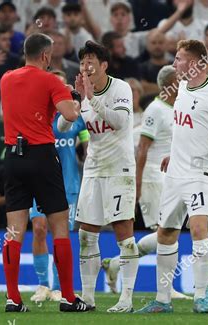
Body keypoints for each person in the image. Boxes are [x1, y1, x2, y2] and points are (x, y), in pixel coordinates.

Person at [136, 39, 208, 314]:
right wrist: (173, 154)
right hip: (174, 173)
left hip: (200, 172)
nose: (174, 63)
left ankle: (201, 297)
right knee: (166, 233)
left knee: (198, 229)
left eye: (179, 58)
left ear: (194, 62)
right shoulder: (183, 88)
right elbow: (187, 128)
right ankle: (163, 299)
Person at [0, 33, 90, 313]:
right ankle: (68, 297)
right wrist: (76, 98)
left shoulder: (6, 78)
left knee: (14, 231)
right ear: (46, 56)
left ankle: (13, 299)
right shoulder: (51, 81)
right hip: (41, 156)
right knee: (60, 227)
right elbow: (71, 115)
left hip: (13, 156)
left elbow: (27, 103)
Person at [60, 40, 139, 313]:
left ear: (104, 65)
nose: (86, 67)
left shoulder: (121, 88)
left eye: (91, 62)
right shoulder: (82, 94)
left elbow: (119, 122)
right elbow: (61, 125)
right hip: (93, 169)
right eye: (82, 63)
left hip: (120, 169)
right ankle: (89, 298)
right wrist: (76, 99)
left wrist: (91, 98)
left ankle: (126, 299)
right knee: (85, 235)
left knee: (123, 234)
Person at [101, 65, 190, 301]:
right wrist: (138, 183)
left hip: (170, 179)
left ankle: (116, 264)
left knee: (167, 232)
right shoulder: (156, 110)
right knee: (166, 233)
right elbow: (142, 150)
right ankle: (165, 289)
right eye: (181, 79)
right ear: (172, 82)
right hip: (152, 178)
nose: (184, 82)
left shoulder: (177, 108)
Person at [29, 70, 89, 303]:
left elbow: (86, 144)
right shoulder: (38, 113)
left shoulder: (75, 115)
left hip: (68, 182)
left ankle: (59, 288)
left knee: (61, 233)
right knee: (39, 229)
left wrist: (88, 151)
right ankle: (43, 285)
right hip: (40, 180)